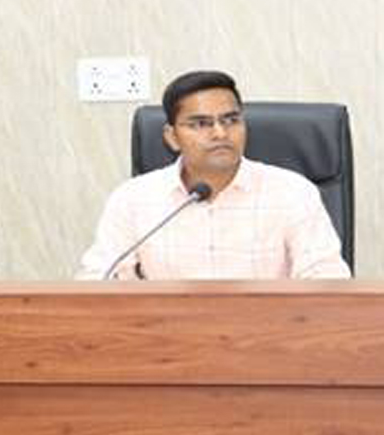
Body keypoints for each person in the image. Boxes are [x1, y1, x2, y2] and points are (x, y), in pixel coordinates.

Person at [77, 70, 350, 280]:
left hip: (266, 332)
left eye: (231, 120)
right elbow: (98, 279)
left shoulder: (292, 193)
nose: (220, 133)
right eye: (200, 123)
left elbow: (328, 283)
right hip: (168, 333)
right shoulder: (133, 199)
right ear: (172, 137)